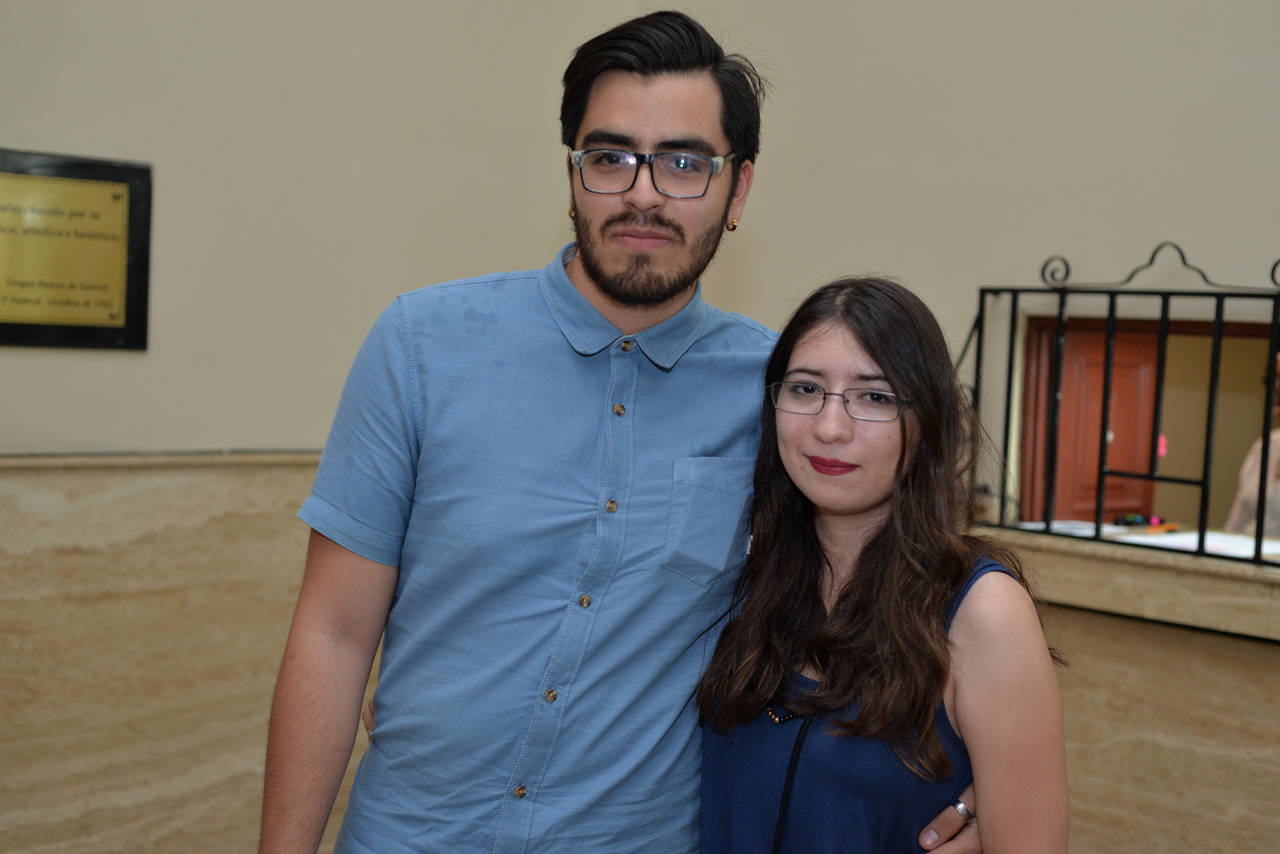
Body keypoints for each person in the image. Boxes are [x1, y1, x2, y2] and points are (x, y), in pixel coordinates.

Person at [260, 12, 985, 854]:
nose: (643, 193)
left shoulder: (781, 395)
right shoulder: (421, 346)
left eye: (684, 163)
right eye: (610, 158)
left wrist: (987, 778)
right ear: (572, 176)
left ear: (738, 190)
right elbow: (334, 634)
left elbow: (889, 578)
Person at [697, 278, 1069, 853]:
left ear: (926, 424)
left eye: (875, 397)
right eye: (806, 389)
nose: (829, 427)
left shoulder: (980, 611)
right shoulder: (744, 578)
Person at [1224, 353, 1280, 538]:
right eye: (1273, 378)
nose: (1276, 387)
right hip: (1249, 552)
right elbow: (1237, 523)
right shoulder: (1265, 447)